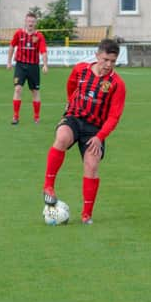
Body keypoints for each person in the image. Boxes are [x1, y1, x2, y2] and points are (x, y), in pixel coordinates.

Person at [42, 38, 126, 225]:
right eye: (105, 60)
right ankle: (48, 187)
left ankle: (86, 215)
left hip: (95, 129)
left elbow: (114, 117)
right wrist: (70, 101)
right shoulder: (80, 69)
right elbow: (71, 85)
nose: (108, 65)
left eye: (113, 61)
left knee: (92, 164)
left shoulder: (117, 84)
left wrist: (99, 137)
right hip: (74, 117)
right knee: (62, 137)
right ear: (97, 56)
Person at [6, 12, 48, 125]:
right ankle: (15, 116)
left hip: (33, 67)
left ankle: (37, 117)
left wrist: (45, 64)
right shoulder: (19, 34)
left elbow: (43, 51)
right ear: (25, 22)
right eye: (29, 21)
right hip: (20, 65)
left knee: (35, 91)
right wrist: (9, 62)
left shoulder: (39, 36)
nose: (30, 23)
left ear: (35, 23)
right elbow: (11, 46)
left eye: (32, 22)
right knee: (18, 89)